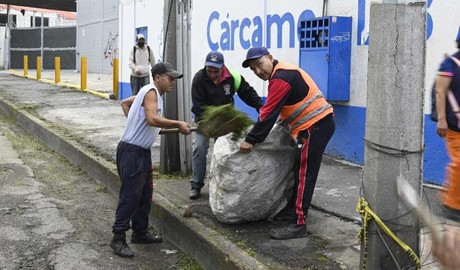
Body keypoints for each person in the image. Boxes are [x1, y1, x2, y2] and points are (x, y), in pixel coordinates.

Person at [239, 47, 335, 240]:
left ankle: (299, 223)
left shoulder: (281, 77)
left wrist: (251, 140)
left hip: (315, 126)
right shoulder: (282, 73)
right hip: (314, 126)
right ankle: (293, 211)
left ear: (270, 58)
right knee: (299, 170)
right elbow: (285, 108)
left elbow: (268, 114)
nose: (258, 71)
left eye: (259, 64)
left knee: (305, 173)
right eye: (253, 69)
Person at [110, 62, 191, 258]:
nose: (173, 81)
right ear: (157, 77)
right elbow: (152, 119)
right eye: (169, 77)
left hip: (140, 152)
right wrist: (178, 123)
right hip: (132, 152)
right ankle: (118, 238)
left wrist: (136, 123)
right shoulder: (152, 91)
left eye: (174, 78)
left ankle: (140, 232)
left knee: (145, 194)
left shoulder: (149, 93)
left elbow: (126, 104)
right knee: (130, 196)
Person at [189, 51, 263, 200]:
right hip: (204, 121)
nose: (212, 75)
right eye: (209, 71)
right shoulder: (199, 78)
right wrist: (214, 116)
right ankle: (196, 185)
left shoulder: (232, 77)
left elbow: (248, 93)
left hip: (225, 123)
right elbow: (199, 105)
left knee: (223, 153)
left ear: (222, 67)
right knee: (199, 148)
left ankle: (220, 185)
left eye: (215, 71)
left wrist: (260, 107)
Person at [435, 26, 460, 221]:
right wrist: (442, 119)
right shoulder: (449, 64)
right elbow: (440, 92)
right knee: (459, 164)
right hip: (454, 125)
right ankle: (451, 205)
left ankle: (450, 196)